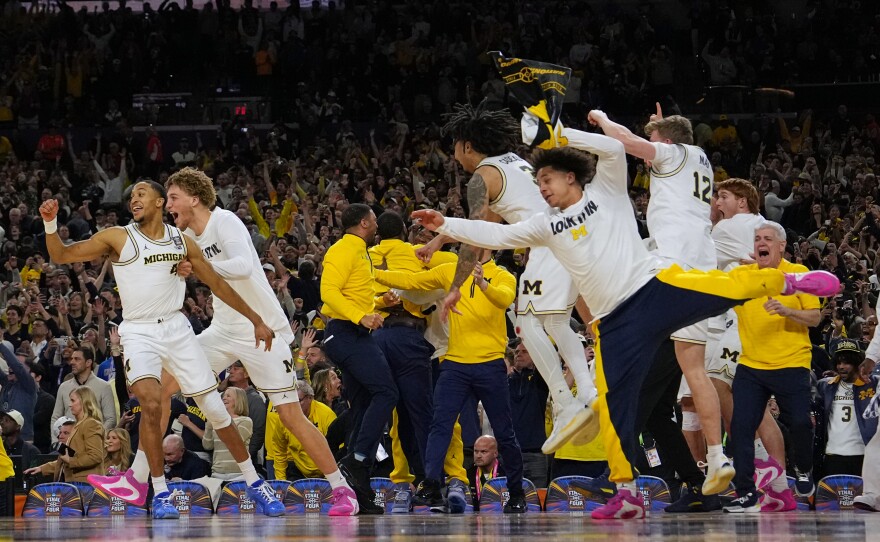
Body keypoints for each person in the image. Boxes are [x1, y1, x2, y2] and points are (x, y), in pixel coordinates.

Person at [411, 130, 839, 519]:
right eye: (538, 181)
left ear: (572, 179)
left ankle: (787, 278)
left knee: (720, 286)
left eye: (547, 179)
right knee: (616, 410)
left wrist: (576, 127)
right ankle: (627, 492)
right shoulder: (544, 223)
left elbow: (615, 148)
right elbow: (499, 237)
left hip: (650, 290)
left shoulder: (608, 191)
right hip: (614, 323)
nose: (540, 187)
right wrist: (445, 225)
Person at [39, 183, 282, 520]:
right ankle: (160, 492)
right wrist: (50, 223)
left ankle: (256, 483)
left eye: (141, 193)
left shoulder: (181, 240)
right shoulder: (118, 237)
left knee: (215, 409)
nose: (134, 199)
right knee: (151, 405)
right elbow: (62, 254)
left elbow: (217, 284)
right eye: (131, 196)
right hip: (139, 331)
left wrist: (255, 318)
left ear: (158, 202)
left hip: (176, 329)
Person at [163, 167, 357, 515]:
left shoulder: (225, 222)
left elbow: (241, 266)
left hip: (262, 331)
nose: (168, 205)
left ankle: (343, 490)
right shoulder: (187, 238)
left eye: (173, 197)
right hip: (222, 330)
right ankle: (144, 480)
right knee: (161, 388)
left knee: (291, 417)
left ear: (194, 198)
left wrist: (200, 265)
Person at [417, 101, 598, 454]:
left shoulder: (481, 176)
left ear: (467, 145)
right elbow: (490, 227)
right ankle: (587, 393)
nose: (454, 155)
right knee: (557, 321)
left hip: (549, 241)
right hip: (576, 236)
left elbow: (476, 242)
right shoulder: (517, 164)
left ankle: (565, 403)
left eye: (456, 147)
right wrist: (442, 236)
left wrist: (455, 288)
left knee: (527, 323)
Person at [587, 105, 734, 495]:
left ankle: (618, 479)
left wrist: (603, 118)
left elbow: (627, 142)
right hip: (702, 271)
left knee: (627, 368)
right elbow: (658, 140)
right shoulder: (697, 158)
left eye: (655, 138)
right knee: (691, 372)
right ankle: (716, 457)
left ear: (666, 141)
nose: (650, 146)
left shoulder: (670, 152)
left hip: (674, 272)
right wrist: (659, 124)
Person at [374, 248, 526, 514]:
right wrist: (371, 272)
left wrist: (482, 283)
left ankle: (516, 494)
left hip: (490, 363)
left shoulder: (503, 275)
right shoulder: (450, 271)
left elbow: (504, 299)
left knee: (504, 432)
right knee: (439, 424)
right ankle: (433, 484)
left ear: (488, 247)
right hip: (456, 364)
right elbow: (410, 281)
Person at [722, 222, 821, 513]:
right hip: (751, 366)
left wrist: (787, 310)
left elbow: (815, 318)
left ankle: (803, 469)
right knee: (739, 428)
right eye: (756, 239)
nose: (760, 243)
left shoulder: (799, 274)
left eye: (767, 238)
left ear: (781, 246)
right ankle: (746, 493)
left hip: (792, 362)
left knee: (801, 423)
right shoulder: (743, 275)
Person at [706, 178, 790, 509]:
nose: (716, 202)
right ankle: (779, 487)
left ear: (742, 202)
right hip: (767, 321)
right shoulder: (766, 227)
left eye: (722, 196)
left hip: (742, 321)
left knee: (718, 384)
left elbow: (701, 263)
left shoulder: (729, 228)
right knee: (749, 400)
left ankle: (759, 467)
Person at [320, 202, 398, 515]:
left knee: (364, 405)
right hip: (344, 333)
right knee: (387, 392)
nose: (377, 224)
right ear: (365, 222)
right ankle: (357, 459)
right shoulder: (343, 249)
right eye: (374, 220)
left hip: (351, 332)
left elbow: (354, 295)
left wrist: (380, 302)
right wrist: (361, 316)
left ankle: (358, 488)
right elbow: (329, 292)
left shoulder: (359, 251)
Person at [816, 338, 877, 477]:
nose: (841, 366)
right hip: (833, 454)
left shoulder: (873, 385)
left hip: (864, 455)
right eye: (838, 362)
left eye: (847, 362)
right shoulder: (825, 386)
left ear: (857, 363)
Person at [25, 387, 105, 483]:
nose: (69, 405)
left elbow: (95, 456)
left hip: (86, 485)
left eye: (72, 400)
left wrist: (71, 460)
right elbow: (64, 461)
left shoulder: (91, 424)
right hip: (73, 485)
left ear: (84, 402)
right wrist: (42, 468)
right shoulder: (77, 426)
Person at [270, 381, 337, 480]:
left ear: (310, 398)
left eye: (298, 401)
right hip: (299, 471)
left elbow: (338, 449)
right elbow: (279, 450)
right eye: (291, 401)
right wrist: (281, 480)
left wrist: (333, 478)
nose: (294, 406)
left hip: (328, 472)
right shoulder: (285, 417)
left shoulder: (326, 414)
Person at [507, 340, 549, 489]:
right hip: (509, 453)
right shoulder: (507, 381)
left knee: (538, 498)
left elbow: (547, 361)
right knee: (507, 498)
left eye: (524, 352)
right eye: (517, 352)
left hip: (536, 452)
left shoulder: (541, 381)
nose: (519, 354)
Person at [51, 346, 117, 435]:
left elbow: (110, 419)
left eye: (77, 359)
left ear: (88, 362)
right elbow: (56, 417)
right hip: (68, 443)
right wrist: (56, 441)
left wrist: (96, 437)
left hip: (94, 444)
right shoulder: (64, 387)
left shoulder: (104, 386)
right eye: (72, 359)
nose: (72, 362)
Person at [202, 388, 252, 480]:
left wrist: (221, 421)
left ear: (239, 400)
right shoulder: (217, 422)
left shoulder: (245, 421)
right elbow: (207, 446)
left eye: (228, 396)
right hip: (217, 473)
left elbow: (235, 442)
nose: (224, 398)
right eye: (224, 396)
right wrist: (209, 425)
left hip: (239, 474)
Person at [0, 343, 37, 443]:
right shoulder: (7, 383)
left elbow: (17, 367)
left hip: (24, 440)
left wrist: (0, 345)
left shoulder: (28, 384)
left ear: (28, 370)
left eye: (15, 364)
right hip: (5, 439)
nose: (11, 367)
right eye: (9, 364)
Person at [467, 435, 503, 511]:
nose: (478, 456)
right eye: (476, 451)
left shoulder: (506, 474)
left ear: (495, 453)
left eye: (483, 452)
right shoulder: (467, 475)